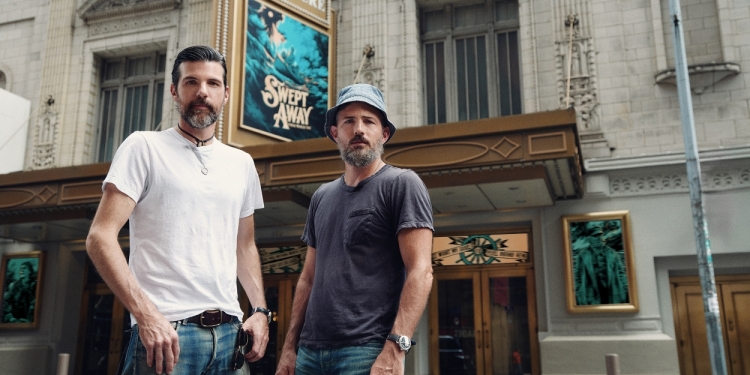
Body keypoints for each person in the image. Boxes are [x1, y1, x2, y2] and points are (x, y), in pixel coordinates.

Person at [86, 45, 270, 375]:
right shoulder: (144, 147)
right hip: (167, 335)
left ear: (226, 94)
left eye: (213, 84)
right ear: (174, 90)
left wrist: (259, 310)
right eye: (191, 82)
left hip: (231, 336)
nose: (202, 92)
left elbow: (244, 245)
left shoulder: (241, 163)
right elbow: (100, 237)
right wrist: (146, 315)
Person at [275, 84, 434, 375]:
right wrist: (289, 348)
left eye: (369, 121)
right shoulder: (321, 196)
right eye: (348, 121)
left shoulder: (402, 184)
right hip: (308, 354)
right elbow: (308, 279)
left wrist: (396, 348)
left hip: (367, 351)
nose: (358, 129)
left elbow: (421, 271)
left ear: (384, 133)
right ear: (335, 132)